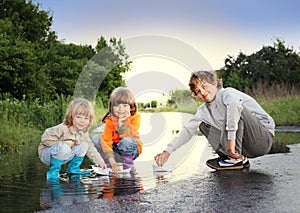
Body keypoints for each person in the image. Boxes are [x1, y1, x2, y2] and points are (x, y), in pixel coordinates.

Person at [155, 70, 275, 169]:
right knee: (202, 124)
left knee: (235, 109)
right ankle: (234, 157)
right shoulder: (203, 110)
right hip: (245, 147)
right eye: (198, 91)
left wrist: (231, 141)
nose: (202, 92)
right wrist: (167, 151)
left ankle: (234, 159)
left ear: (213, 82)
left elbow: (234, 105)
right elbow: (187, 130)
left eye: (204, 86)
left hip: (262, 138)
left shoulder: (227, 93)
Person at [38, 98, 107, 180]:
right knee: (64, 147)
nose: (82, 121)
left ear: (90, 120)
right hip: (48, 155)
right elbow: (45, 139)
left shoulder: (83, 132)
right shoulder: (63, 128)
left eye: (86, 118)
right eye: (79, 117)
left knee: (85, 145)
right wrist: (65, 143)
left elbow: (90, 148)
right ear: (71, 117)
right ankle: (53, 173)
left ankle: (73, 169)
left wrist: (100, 162)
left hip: (65, 155)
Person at [91, 87, 142, 172]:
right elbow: (106, 141)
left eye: (125, 105)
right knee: (96, 139)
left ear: (131, 108)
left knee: (126, 141)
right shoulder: (110, 120)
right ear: (112, 108)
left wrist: (121, 123)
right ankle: (108, 165)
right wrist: (113, 162)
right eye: (117, 105)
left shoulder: (135, 117)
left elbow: (130, 136)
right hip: (114, 151)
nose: (121, 109)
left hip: (130, 150)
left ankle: (128, 165)